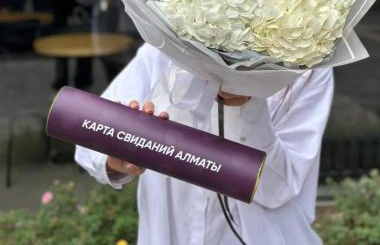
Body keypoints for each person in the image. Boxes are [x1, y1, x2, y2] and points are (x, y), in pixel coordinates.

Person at [75, 42, 334, 244]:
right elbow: (90, 138)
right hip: (170, 232)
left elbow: (278, 188)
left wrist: (249, 104)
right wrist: (116, 159)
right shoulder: (166, 46)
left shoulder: (306, 67)